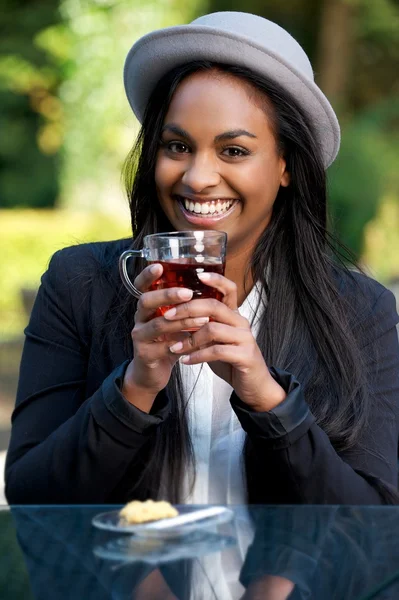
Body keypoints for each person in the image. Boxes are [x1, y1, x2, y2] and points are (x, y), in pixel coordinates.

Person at [5, 11, 399, 509]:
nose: (197, 177)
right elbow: (29, 497)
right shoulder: (80, 284)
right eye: (177, 146)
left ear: (285, 166)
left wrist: (266, 397)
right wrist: (135, 387)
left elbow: (376, 524)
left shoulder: (361, 313)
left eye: (233, 150)